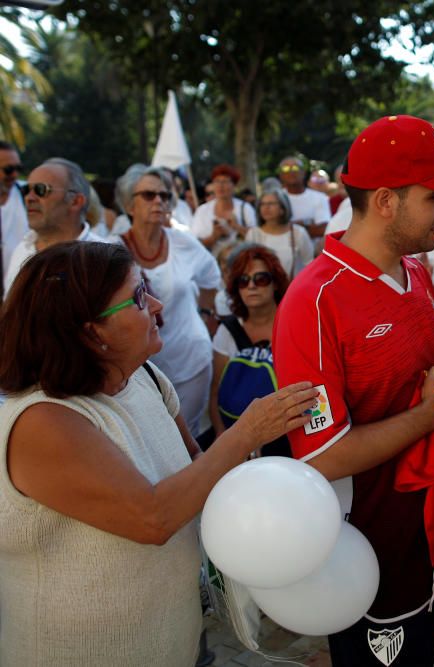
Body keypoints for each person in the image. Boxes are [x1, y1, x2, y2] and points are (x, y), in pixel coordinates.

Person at [0, 241, 315, 666]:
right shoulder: (44, 421)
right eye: (136, 297)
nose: (157, 304)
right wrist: (248, 432)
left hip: (175, 641)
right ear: (90, 331)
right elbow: (152, 517)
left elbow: (198, 472)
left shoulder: (144, 376)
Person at [273, 114, 434, 666]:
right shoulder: (314, 300)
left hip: (432, 527)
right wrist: (426, 418)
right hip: (367, 547)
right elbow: (322, 456)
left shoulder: (412, 269)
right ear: (387, 201)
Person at [116, 165, 221, 439]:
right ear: (129, 204)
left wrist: (205, 314)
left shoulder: (183, 242)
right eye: (149, 195)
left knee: (190, 440)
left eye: (164, 195)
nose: (159, 201)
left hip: (191, 361)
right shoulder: (110, 250)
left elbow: (212, 276)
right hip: (138, 368)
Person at [209, 245, 290, 456]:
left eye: (261, 279)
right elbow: (216, 389)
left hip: (287, 438)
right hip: (237, 438)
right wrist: (222, 437)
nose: (252, 286)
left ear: (276, 284)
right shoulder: (227, 331)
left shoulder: (293, 324)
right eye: (243, 281)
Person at [4, 157, 106, 295]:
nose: (29, 198)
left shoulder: (104, 259)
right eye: (26, 190)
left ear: (76, 201)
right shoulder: (22, 249)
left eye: (41, 189)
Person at [245, 188, 312, 278]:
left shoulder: (298, 233)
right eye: (262, 204)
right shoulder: (253, 234)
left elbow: (309, 264)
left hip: (293, 289)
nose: (266, 207)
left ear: (283, 208)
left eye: (271, 203)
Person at [191, 164, 256, 254]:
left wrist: (236, 226)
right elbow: (195, 244)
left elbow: (256, 238)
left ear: (234, 186)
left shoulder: (245, 209)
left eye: (225, 181)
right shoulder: (202, 211)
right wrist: (214, 236)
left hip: (240, 262)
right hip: (212, 264)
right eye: (217, 181)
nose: (220, 186)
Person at [0, 141, 28, 299]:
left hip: (19, 295)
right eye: (9, 170)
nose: (15, 175)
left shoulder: (29, 194)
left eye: (19, 168)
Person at [278, 156, 331, 239]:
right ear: (280, 175)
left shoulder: (320, 197)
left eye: (295, 168)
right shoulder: (275, 198)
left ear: (304, 173)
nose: (291, 172)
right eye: (286, 169)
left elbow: (323, 229)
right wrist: (307, 225)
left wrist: (288, 227)